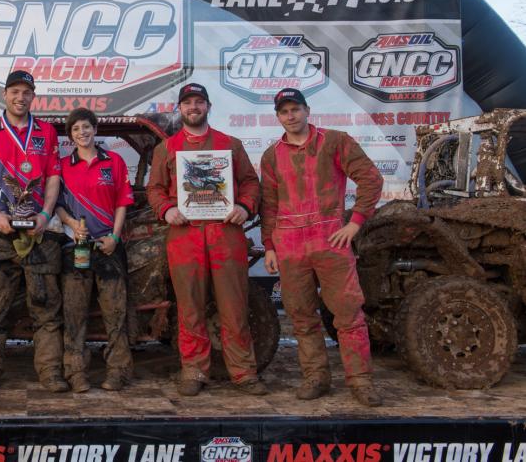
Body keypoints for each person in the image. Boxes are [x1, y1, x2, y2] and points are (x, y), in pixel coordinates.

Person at [260, 88, 384, 407]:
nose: (291, 116)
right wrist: (270, 246)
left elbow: (370, 178)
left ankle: (360, 381)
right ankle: (316, 377)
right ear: (278, 116)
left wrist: (355, 223)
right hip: (289, 245)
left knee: (347, 314)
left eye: (295, 109)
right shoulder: (272, 155)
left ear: (307, 110)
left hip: (330, 240)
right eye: (284, 111)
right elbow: (270, 205)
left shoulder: (335, 141)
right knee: (301, 315)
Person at [146, 83, 267, 396]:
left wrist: (243, 206)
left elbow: (251, 184)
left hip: (224, 233)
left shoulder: (231, 144)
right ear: (181, 109)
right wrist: (166, 209)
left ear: (208, 106)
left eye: (199, 102)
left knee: (234, 306)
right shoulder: (166, 149)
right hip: (185, 235)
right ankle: (194, 370)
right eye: (188, 103)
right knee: (190, 308)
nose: (193, 107)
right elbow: (155, 189)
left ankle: (243, 372)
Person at [0, 70, 69, 393]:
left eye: (26, 92)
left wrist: (45, 214)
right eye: (15, 91)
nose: (20, 97)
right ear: (4, 94)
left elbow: (53, 177)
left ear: (33, 96)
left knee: (46, 305)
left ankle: (51, 372)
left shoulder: (48, 133)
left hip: (40, 232)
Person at [55, 108, 134, 392]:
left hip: (109, 247)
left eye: (86, 127)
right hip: (75, 247)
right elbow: (57, 205)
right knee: (74, 313)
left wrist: (114, 236)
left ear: (95, 129)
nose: (82, 133)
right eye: (76, 129)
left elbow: (123, 202)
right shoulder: (63, 165)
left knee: (116, 312)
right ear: (70, 136)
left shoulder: (113, 161)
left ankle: (118, 371)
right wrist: (72, 224)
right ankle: (75, 372)